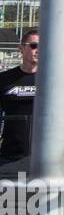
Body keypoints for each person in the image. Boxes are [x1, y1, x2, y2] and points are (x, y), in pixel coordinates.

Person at [0, 28, 38, 160]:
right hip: (10, 153)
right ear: (21, 48)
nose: (38, 50)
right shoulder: (4, 79)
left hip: (44, 155)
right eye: (34, 46)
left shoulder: (53, 81)